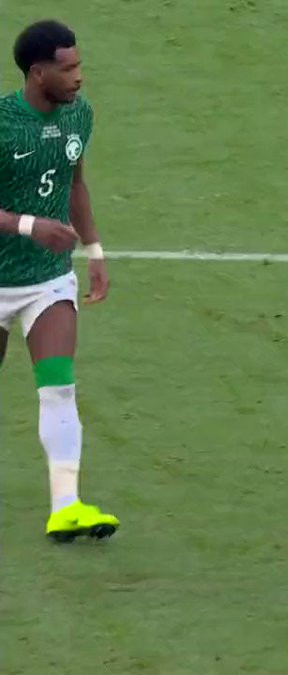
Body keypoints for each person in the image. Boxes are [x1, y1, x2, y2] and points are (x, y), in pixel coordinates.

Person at [0, 20, 118, 542]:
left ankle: (66, 506)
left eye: (79, 66)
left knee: (59, 387)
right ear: (37, 73)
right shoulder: (3, 124)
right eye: (67, 69)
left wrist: (94, 249)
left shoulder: (78, 115)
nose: (78, 77)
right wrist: (30, 225)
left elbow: (75, 184)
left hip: (46, 280)